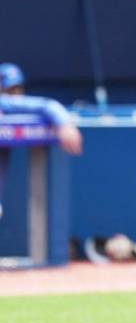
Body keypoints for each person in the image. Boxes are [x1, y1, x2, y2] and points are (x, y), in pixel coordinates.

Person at [0, 64, 83, 219]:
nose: (16, 95)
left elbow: (48, 106)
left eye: (18, 90)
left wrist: (65, 124)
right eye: (10, 90)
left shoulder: (6, 104)